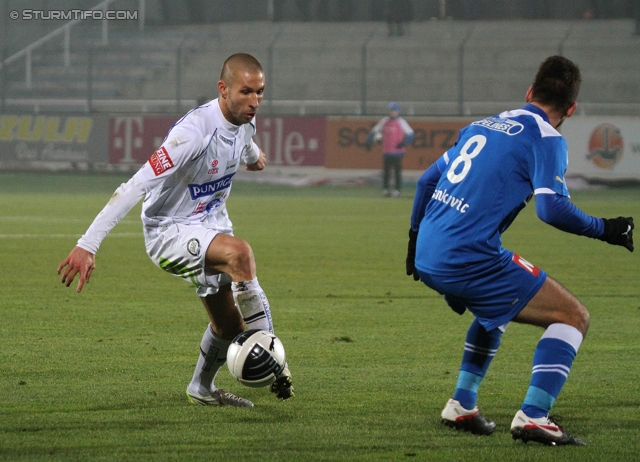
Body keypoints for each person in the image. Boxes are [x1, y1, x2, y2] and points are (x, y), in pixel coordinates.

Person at [406, 55, 634, 446]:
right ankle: (534, 416)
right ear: (571, 109)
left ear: (529, 93)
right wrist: (606, 229)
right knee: (573, 316)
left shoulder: (482, 124)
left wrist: (413, 241)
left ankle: (461, 405)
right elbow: (551, 208)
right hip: (466, 256)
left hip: (427, 250)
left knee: (496, 311)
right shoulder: (546, 138)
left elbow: (427, 181)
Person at [58, 53, 294, 407]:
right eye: (246, 92)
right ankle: (277, 363)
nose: (255, 101)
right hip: (169, 230)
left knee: (228, 326)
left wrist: (254, 157)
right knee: (240, 254)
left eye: (260, 92)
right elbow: (135, 186)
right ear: (223, 88)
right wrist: (87, 245)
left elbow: (244, 144)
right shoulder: (192, 133)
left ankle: (201, 389)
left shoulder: (246, 122)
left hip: (210, 225)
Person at [366, 102, 414, 197]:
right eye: (391, 110)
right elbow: (374, 131)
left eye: (394, 110)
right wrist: (369, 141)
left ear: (397, 111)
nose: (392, 112)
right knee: (386, 172)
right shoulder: (384, 121)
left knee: (397, 172)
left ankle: (397, 189)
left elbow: (411, 134)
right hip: (387, 151)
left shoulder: (401, 122)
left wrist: (403, 143)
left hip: (397, 151)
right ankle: (385, 189)